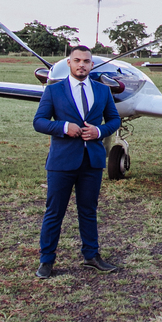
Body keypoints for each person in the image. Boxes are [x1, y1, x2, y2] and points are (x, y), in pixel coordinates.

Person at [33, 45, 121, 277]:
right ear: (69, 63)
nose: (82, 65)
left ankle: (91, 255)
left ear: (92, 65)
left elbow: (114, 120)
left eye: (86, 61)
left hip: (92, 162)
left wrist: (99, 131)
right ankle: (46, 260)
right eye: (77, 60)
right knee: (54, 212)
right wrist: (64, 127)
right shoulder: (54, 90)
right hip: (62, 162)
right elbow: (39, 122)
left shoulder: (102, 91)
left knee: (88, 210)